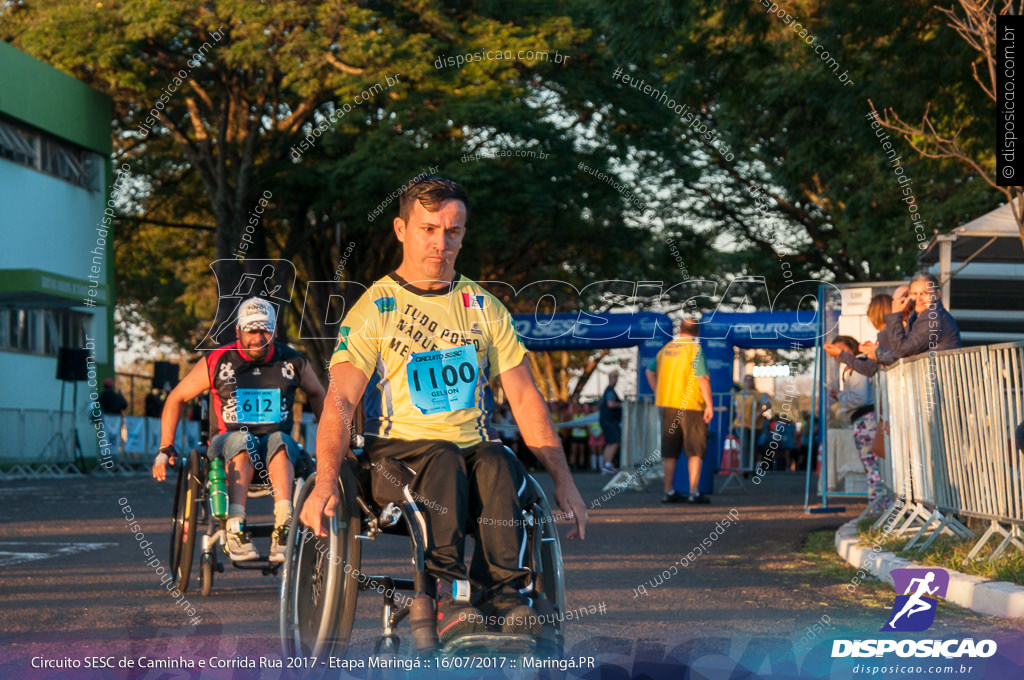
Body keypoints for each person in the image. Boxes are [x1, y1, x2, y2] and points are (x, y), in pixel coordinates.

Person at [298, 176, 588, 644]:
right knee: (442, 456)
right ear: (401, 229)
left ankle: (506, 595)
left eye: (452, 231)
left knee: (499, 460)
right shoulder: (376, 308)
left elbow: (525, 399)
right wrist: (326, 480)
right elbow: (339, 400)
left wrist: (565, 483)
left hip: (471, 457)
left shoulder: (485, 308)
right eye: (429, 229)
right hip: (396, 460)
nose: (441, 242)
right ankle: (447, 592)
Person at [151, 297, 326, 563]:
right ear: (238, 331)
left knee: (280, 441)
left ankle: (283, 526)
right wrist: (166, 447)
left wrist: (326, 429)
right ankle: (235, 526)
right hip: (228, 444)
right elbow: (176, 398)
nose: (258, 337)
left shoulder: (292, 361)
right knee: (243, 440)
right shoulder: (217, 360)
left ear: (275, 330)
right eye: (251, 330)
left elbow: (317, 393)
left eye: (265, 330)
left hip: (276, 447)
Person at [645, 318, 714, 504]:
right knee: (695, 450)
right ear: (697, 332)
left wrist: (659, 391)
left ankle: (668, 491)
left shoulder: (666, 348)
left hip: (669, 406)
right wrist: (709, 404)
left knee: (670, 451)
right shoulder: (694, 349)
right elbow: (702, 378)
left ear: (680, 329)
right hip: (691, 405)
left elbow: (649, 372)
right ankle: (694, 492)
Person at [827, 335, 881, 505]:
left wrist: (841, 397)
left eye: (841, 348)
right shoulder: (856, 365)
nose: (837, 352)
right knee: (872, 466)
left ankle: (877, 506)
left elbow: (860, 398)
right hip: (865, 419)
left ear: (852, 347)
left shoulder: (857, 365)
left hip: (865, 419)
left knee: (873, 467)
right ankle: (878, 505)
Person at [884, 273, 961, 359]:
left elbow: (901, 350)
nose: (918, 299)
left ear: (937, 295)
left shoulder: (933, 319)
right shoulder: (917, 316)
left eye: (924, 293)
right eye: (914, 294)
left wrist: (895, 315)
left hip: (940, 371)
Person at [732, 375, 767, 471]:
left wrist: (759, 413)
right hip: (741, 423)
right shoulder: (739, 394)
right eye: (746, 380)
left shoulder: (759, 394)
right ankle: (744, 468)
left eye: (750, 380)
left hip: (755, 424)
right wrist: (738, 413)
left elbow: (768, 405)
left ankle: (752, 467)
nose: (748, 382)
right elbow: (736, 406)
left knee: (753, 446)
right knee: (745, 444)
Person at [598, 371, 623, 475]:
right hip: (609, 421)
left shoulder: (610, 390)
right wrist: (623, 404)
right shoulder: (610, 391)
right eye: (613, 377)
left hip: (608, 420)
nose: (615, 379)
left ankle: (607, 465)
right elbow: (611, 404)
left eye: (616, 377)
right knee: (615, 441)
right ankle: (608, 465)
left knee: (610, 442)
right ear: (609, 378)